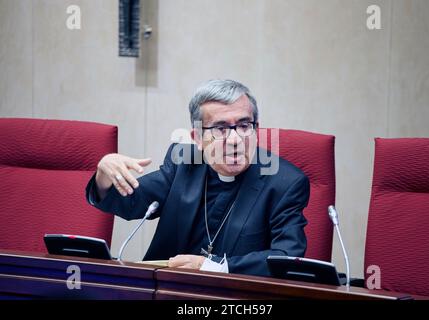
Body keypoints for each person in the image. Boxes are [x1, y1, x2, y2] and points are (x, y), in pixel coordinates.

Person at [86, 79, 309, 277]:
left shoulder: (284, 183)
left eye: (243, 126)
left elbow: (287, 257)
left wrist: (217, 267)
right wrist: (104, 175)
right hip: (165, 289)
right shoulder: (184, 163)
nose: (235, 140)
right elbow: (131, 203)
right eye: (220, 128)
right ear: (198, 138)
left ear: (256, 129)